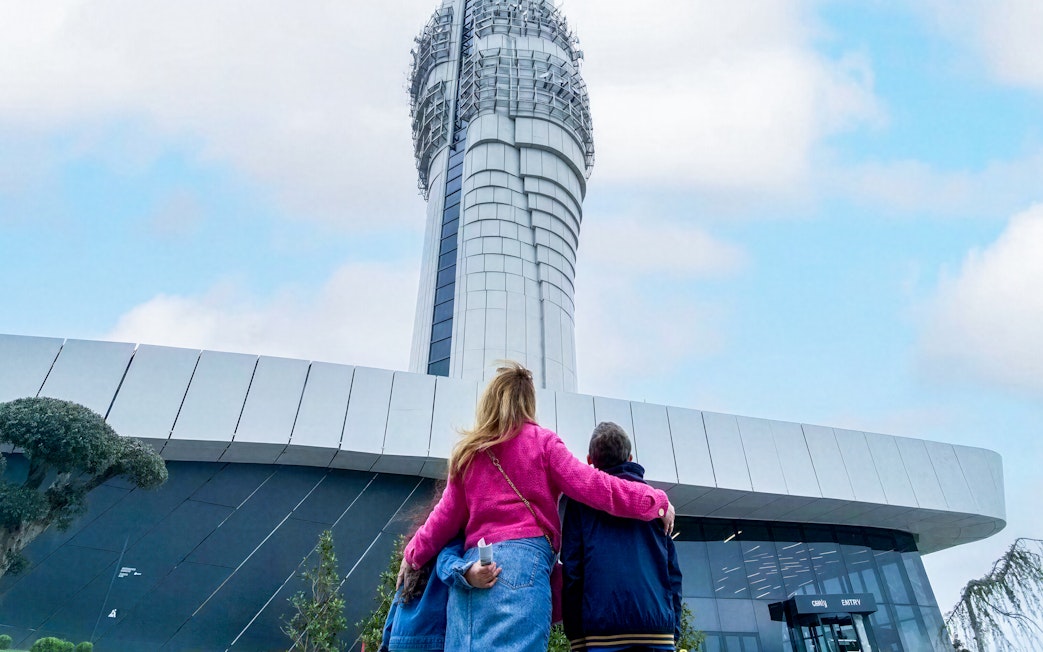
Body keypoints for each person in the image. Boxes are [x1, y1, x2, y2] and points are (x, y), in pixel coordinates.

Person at [399, 362, 675, 652]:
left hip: (471, 574)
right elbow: (595, 486)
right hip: (523, 568)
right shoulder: (543, 443)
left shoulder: (469, 453)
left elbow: (443, 518)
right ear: (529, 402)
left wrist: (413, 555)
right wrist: (653, 501)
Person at [561, 421, 684, 651]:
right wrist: (672, 629)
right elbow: (672, 572)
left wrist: (576, 635)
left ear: (590, 461)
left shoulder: (579, 505)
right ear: (630, 458)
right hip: (657, 632)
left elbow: (573, 571)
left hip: (601, 634)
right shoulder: (656, 503)